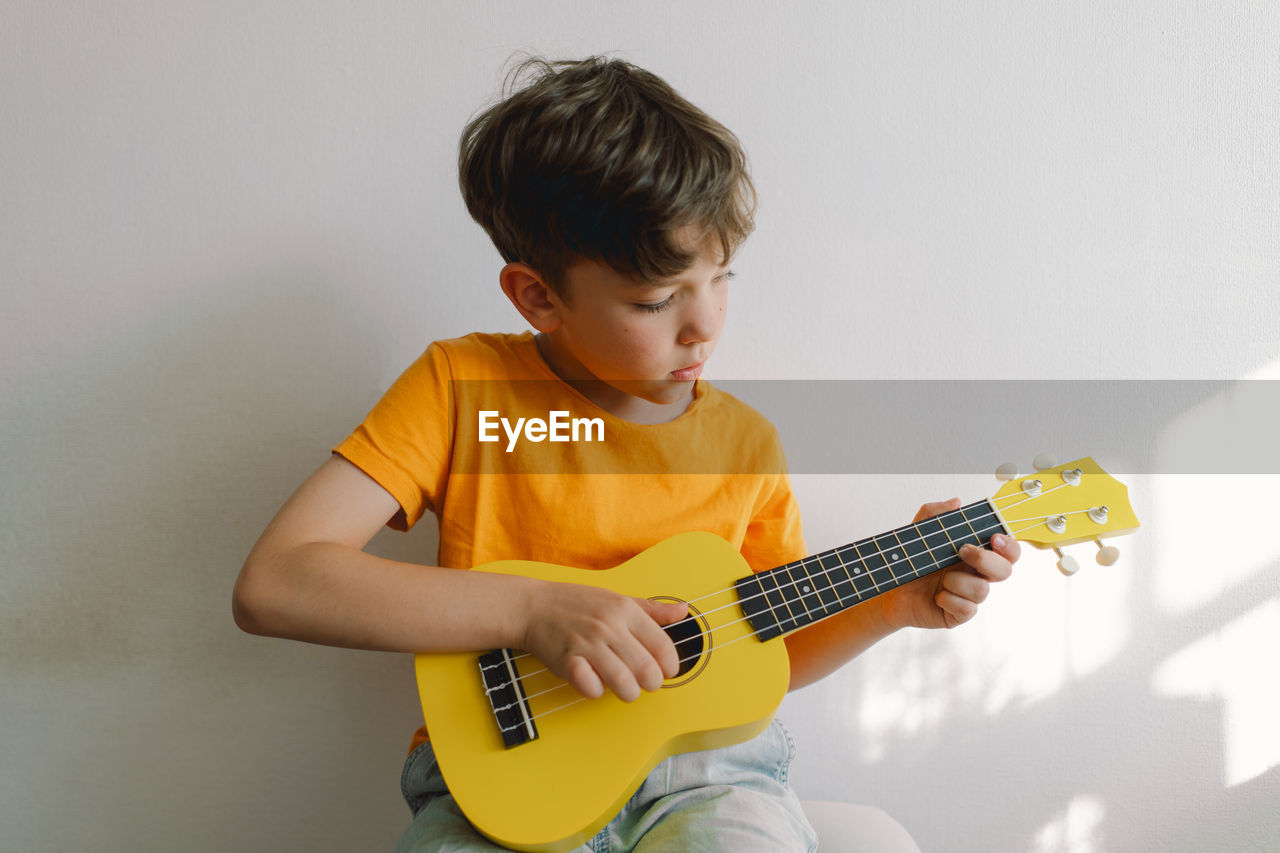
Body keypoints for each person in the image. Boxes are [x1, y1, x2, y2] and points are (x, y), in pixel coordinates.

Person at [232, 56, 1021, 852]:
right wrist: (531, 611)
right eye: (655, 299)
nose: (704, 324)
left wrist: (889, 606)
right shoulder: (462, 388)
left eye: (720, 277)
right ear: (537, 296)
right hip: (504, 778)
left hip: (713, 777)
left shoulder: (745, 442)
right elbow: (277, 581)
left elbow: (760, 647)